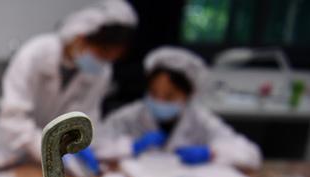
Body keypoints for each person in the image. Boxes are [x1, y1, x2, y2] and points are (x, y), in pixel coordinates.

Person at [0, 0, 138, 175]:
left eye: (110, 58)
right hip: (14, 154)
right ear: (80, 39)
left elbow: (87, 119)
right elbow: (13, 118)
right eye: (102, 53)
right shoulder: (35, 54)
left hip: (59, 163)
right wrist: (54, 151)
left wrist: (82, 145)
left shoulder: (101, 72)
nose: (103, 62)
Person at [97, 46, 261, 169]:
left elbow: (250, 155)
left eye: (169, 96)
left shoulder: (200, 119)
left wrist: (211, 153)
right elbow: (97, 146)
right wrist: (131, 147)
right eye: (153, 93)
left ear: (189, 95)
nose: (159, 101)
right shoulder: (129, 116)